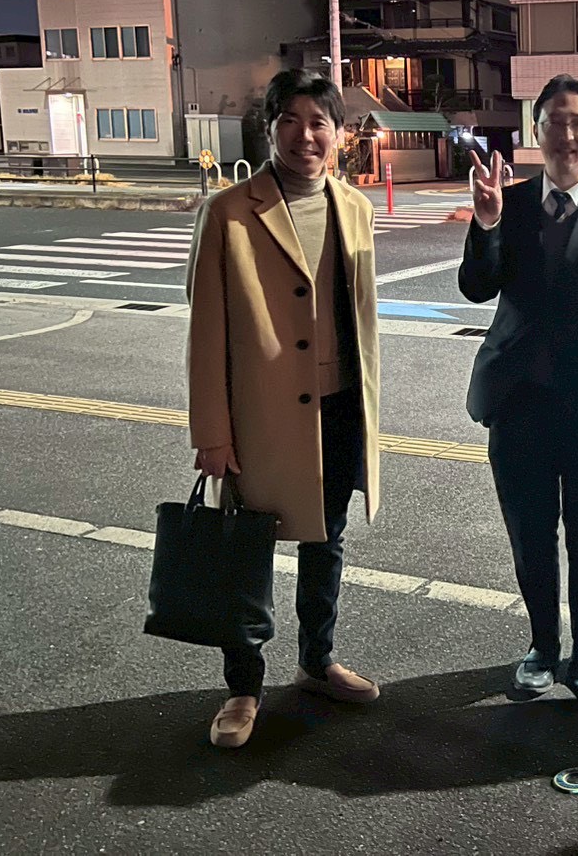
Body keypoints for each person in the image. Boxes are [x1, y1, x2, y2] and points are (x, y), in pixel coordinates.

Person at [186, 68, 382, 749]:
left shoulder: (354, 207)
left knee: (327, 542)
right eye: (290, 120)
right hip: (260, 416)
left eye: (319, 122)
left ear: (338, 133)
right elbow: (205, 333)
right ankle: (243, 687)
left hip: (339, 407)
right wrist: (212, 433)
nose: (306, 135)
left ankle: (316, 661)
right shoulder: (228, 212)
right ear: (269, 128)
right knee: (248, 552)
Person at [460, 74, 578, 698]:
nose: (567, 135)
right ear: (535, 132)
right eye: (555, 122)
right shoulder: (509, 203)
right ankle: (542, 646)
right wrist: (486, 224)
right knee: (530, 533)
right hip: (518, 403)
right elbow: (476, 288)